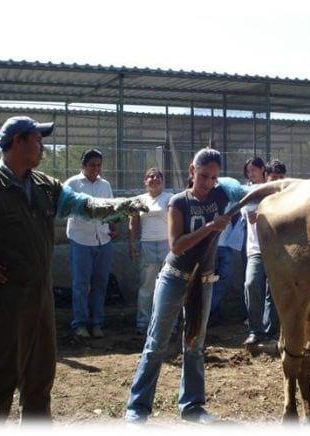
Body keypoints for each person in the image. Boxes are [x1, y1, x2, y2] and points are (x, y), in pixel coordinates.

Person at [0, 116, 145, 423]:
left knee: (38, 386)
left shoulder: (43, 186)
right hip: (0, 307)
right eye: (38, 140)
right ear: (19, 141)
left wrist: (123, 205)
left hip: (39, 303)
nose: (43, 148)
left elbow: (83, 205)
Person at [124, 148, 231, 424]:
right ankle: (137, 407)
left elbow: (244, 193)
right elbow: (177, 245)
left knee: (195, 344)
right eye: (203, 175)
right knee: (156, 343)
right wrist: (211, 227)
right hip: (174, 278)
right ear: (191, 170)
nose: (208, 183)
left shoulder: (221, 194)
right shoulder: (178, 201)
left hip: (203, 281)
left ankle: (193, 406)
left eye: (213, 177)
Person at [65, 149, 117, 339]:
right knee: (81, 283)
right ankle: (79, 324)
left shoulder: (105, 185)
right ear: (83, 165)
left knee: (100, 283)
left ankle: (96, 323)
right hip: (81, 240)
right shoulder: (72, 184)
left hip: (103, 239)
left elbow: (111, 209)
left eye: (98, 165)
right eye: (92, 165)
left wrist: (112, 226)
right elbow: (64, 208)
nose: (96, 168)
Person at [128, 168, 173, 335]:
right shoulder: (139, 200)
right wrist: (132, 244)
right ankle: (143, 322)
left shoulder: (170, 198)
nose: (154, 179)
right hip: (147, 246)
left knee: (169, 286)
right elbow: (133, 223)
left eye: (157, 176)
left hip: (167, 245)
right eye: (150, 177)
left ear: (162, 180)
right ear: (145, 181)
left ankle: (170, 323)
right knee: (147, 286)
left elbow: (176, 221)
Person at [241, 157, 279, 350]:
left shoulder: (274, 190)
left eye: (254, 169)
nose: (251, 174)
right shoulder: (247, 192)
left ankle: (271, 331)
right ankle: (255, 330)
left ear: (263, 169)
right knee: (251, 284)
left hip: (275, 250)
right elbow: (247, 214)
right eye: (248, 171)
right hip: (255, 249)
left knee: (273, 292)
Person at [208, 202, 244, 326]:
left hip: (226, 246)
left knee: (224, 279)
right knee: (210, 280)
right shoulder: (207, 201)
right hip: (210, 247)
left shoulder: (232, 198)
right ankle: (211, 313)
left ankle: (211, 310)